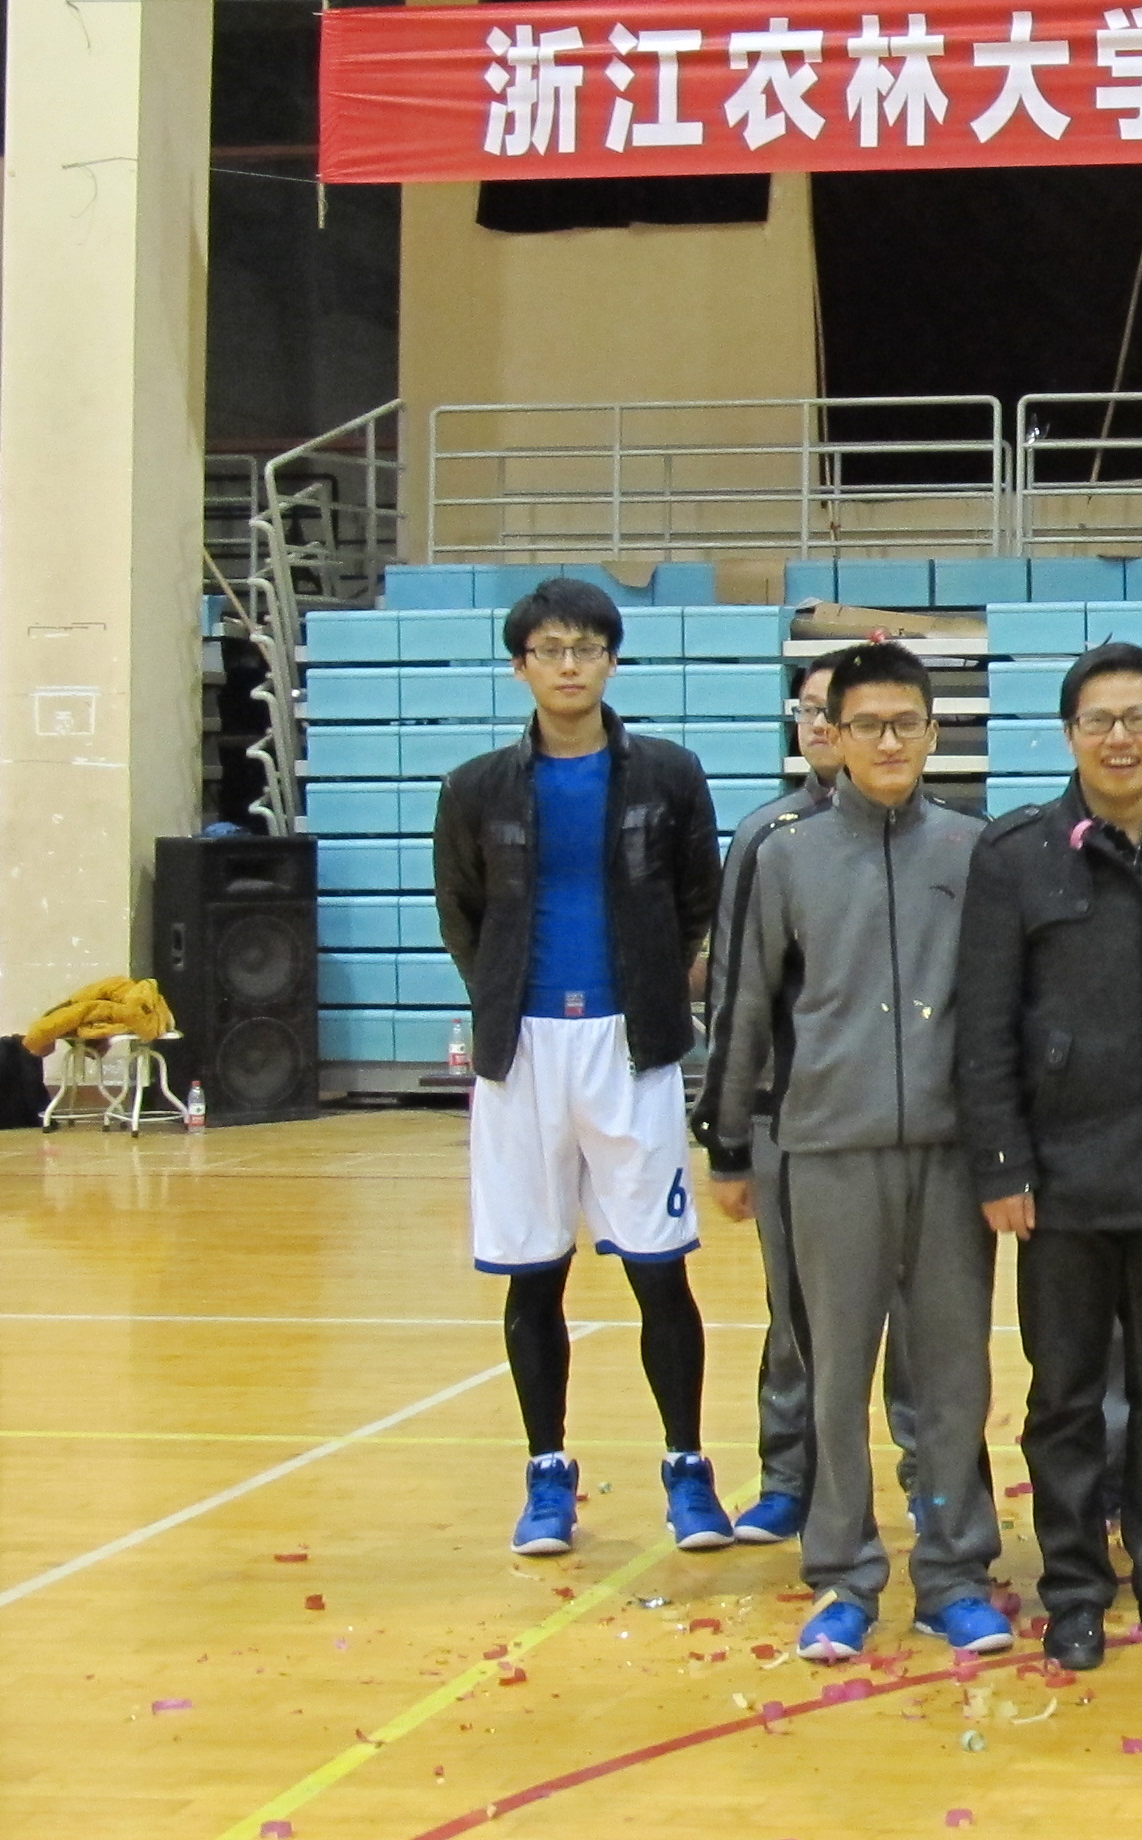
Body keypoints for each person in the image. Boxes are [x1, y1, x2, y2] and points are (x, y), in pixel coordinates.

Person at [706, 643, 1008, 1663]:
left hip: (950, 1156)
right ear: (831, 734)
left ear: (933, 733)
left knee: (953, 1377)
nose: (887, 742)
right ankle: (842, 1572)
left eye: (905, 724)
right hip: (825, 1148)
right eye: (866, 724)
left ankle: (955, 1571)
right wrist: (730, 1142)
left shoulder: (973, 848)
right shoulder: (783, 853)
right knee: (834, 1374)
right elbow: (743, 1002)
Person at [957, 642, 1142, 1667]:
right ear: (1070, 734)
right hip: (1062, 1178)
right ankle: (1076, 1585)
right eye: (1098, 721)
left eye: (1138, 719)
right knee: (1066, 1397)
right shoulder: (1015, 854)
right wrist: (1001, 1163)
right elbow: (984, 1025)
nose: (1119, 738)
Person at [432, 577, 724, 1559]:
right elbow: (463, 913)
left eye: (587, 648)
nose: (569, 665)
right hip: (520, 1052)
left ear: (611, 660)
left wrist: (650, 985)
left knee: (659, 1268)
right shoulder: (474, 787)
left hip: (631, 1045)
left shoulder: (668, 776)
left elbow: (697, 897)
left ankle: (688, 1468)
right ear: (521, 666)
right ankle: (546, 1473)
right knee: (533, 1273)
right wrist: (505, 996)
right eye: (550, 649)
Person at [695, 651, 924, 1547]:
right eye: (815, 710)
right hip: (793, 1122)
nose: (830, 724)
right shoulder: (770, 839)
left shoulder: (946, 838)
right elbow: (737, 997)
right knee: (800, 1317)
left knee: (921, 1323)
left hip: (914, 1126)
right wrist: (731, 1133)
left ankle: (929, 1479)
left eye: (846, 708)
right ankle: (791, 1477)